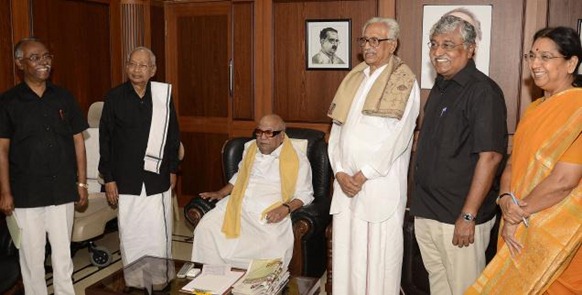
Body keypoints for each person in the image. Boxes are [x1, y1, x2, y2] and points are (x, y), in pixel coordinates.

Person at [467, 26, 582, 295]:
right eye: (531, 56)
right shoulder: (534, 108)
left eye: (546, 57)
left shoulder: (577, 109)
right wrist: (506, 199)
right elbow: (511, 163)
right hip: (516, 225)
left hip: (554, 234)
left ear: (571, 63)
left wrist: (517, 214)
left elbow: (565, 181)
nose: (535, 64)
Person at [409, 15, 508, 295]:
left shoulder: (482, 91)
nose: (438, 52)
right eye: (434, 44)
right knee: (440, 288)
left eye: (448, 45)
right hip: (427, 212)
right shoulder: (440, 88)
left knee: (466, 290)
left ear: (470, 49)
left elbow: (490, 157)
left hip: (459, 219)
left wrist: (468, 216)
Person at [327, 17, 420, 294]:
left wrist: (362, 174)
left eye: (375, 41)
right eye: (365, 40)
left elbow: (399, 138)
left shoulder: (404, 81)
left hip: (378, 185)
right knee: (346, 255)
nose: (368, 46)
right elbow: (335, 132)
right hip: (346, 186)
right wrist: (340, 171)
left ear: (392, 45)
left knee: (379, 260)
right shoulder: (354, 78)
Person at [0, 37, 88, 295]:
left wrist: (81, 182)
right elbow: (2, 150)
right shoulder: (7, 102)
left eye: (47, 56)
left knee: (63, 258)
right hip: (26, 194)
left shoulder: (64, 97)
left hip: (62, 190)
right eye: (35, 57)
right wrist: (5, 192)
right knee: (32, 260)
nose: (44, 62)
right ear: (20, 63)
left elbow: (78, 142)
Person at [191, 114, 314, 269]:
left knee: (273, 243)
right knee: (206, 227)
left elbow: (305, 194)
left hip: (270, 210)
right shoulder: (250, 148)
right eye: (259, 132)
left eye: (269, 133)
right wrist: (221, 193)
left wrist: (285, 209)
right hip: (238, 204)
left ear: (281, 136)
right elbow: (240, 175)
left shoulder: (298, 159)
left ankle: (258, 284)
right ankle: (212, 276)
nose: (262, 137)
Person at [99, 47, 180, 270]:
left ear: (152, 70)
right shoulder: (114, 97)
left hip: (157, 176)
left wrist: (173, 169)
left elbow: (173, 135)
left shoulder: (163, 96)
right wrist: (109, 178)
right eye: (132, 64)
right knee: (131, 230)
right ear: (126, 67)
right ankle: (134, 278)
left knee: (157, 230)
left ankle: (160, 276)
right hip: (126, 178)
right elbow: (105, 140)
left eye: (143, 65)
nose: (136, 70)